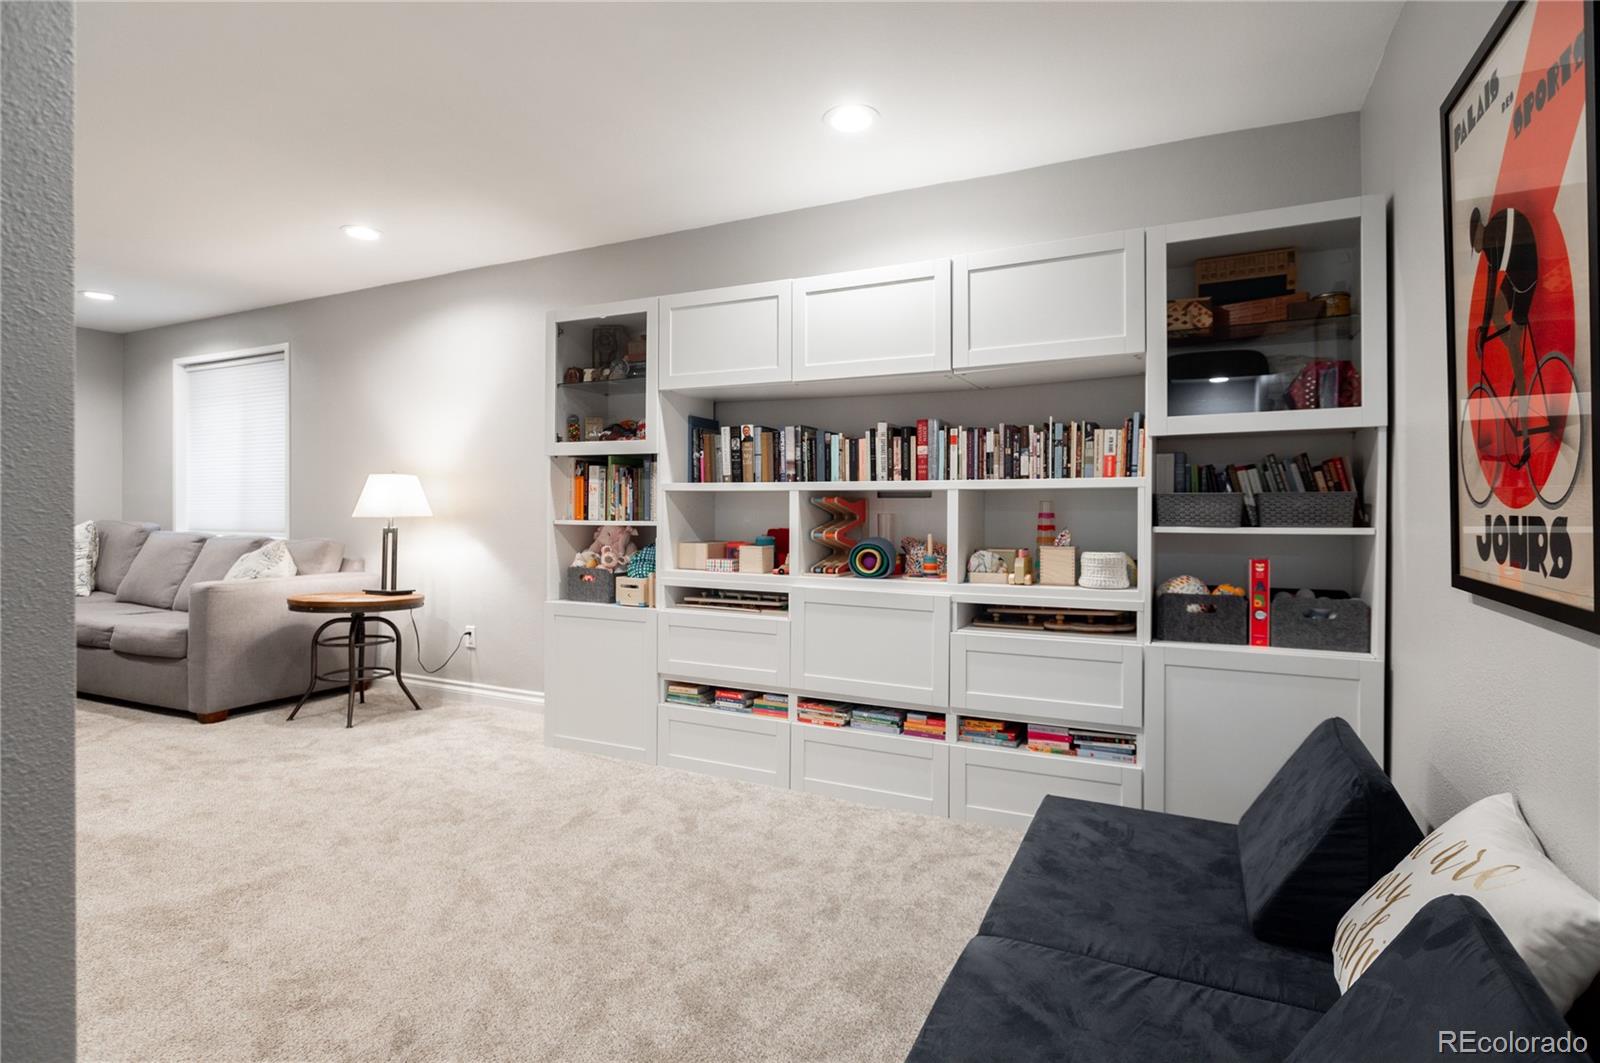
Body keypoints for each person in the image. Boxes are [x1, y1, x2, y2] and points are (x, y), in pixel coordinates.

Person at [1469, 206, 1539, 455]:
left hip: (1525, 279)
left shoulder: (1492, 246)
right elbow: (1491, 303)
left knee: (1515, 363)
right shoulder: (1493, 238)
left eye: (1473, 240)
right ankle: (1511, 344)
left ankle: (1527, 437)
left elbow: (1489, 292)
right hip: (1516, 274)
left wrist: (1484, 335)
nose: (1475, 248)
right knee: (1499, 312)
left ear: (1479, 233)